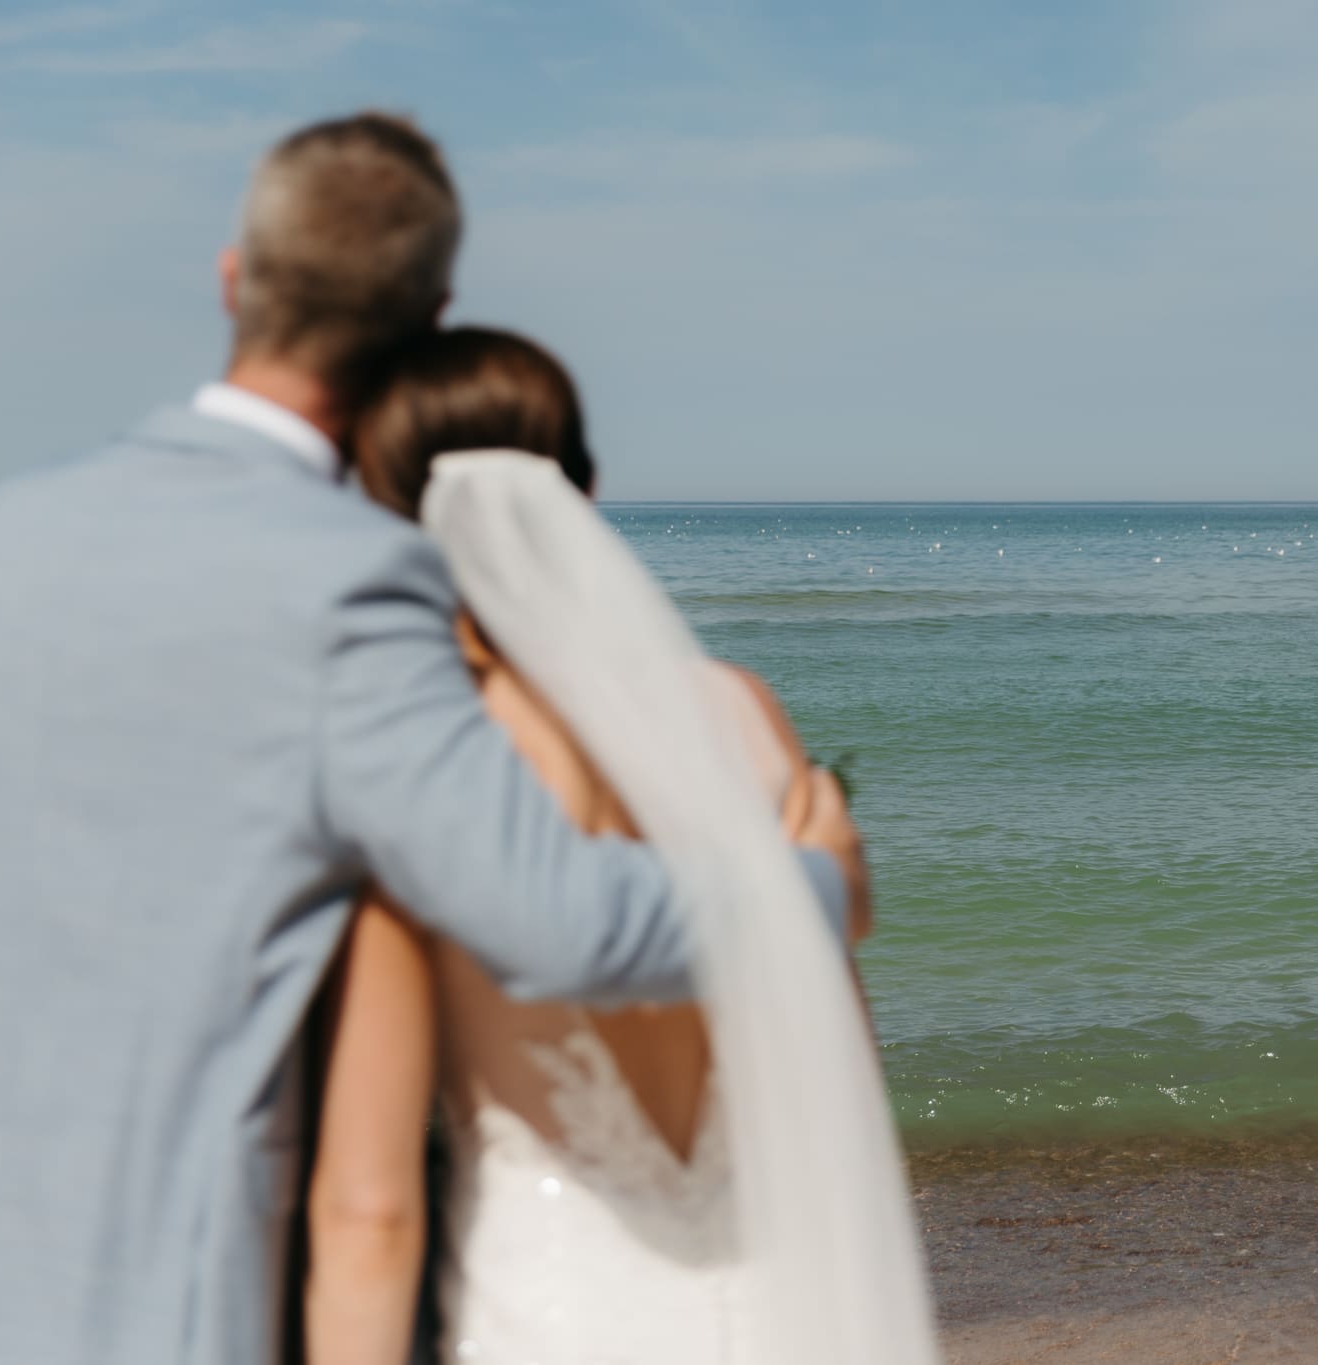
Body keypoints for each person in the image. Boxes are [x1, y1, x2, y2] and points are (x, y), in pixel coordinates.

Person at [0, 112, 866, 1365]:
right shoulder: (354, 583)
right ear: (430, 319)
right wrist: (815, 887)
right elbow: (557, 918)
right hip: (188, 1313)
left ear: (233, 279)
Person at [304, 327, 939, 1365]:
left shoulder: (417, 762)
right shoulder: (739, 715)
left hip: (552, 1315)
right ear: (582, 494)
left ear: (379, 515)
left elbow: (367, 1214)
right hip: (783, 1310)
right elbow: (841, 1071)